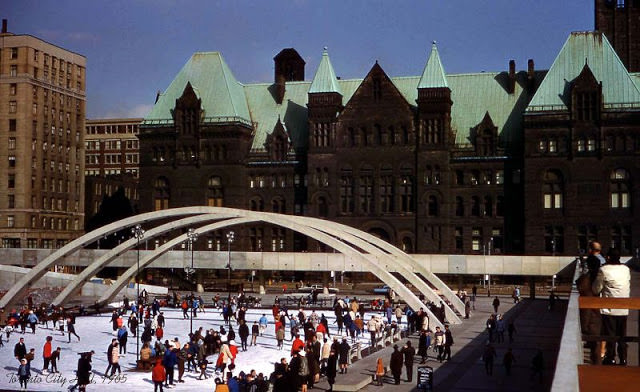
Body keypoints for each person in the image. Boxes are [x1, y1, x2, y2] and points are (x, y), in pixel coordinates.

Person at [592, 247, 631, 365]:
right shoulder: (626, 269)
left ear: (608, 257)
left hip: (609, 309)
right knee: (622, 334)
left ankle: (611, 357)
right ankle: (623, 358)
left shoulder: (604, 270)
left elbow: (596, 289)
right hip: (624, 308)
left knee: (610, 335)